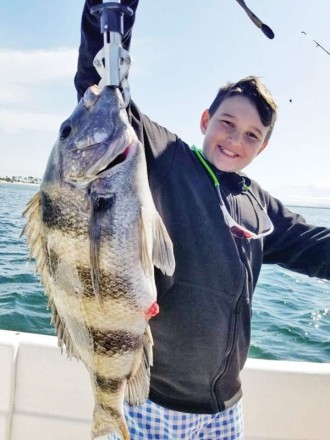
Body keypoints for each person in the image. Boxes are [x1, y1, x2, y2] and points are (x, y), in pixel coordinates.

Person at [74, 2, 330, 439]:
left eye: (252, 135)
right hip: (150, 399)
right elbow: (103, 92)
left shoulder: (259, 205)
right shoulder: (167, 160)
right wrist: (114, 10)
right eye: (227, 123)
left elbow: (316, 246)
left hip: (225, 409)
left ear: (263, 148)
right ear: (206, 120)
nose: (235, 140)